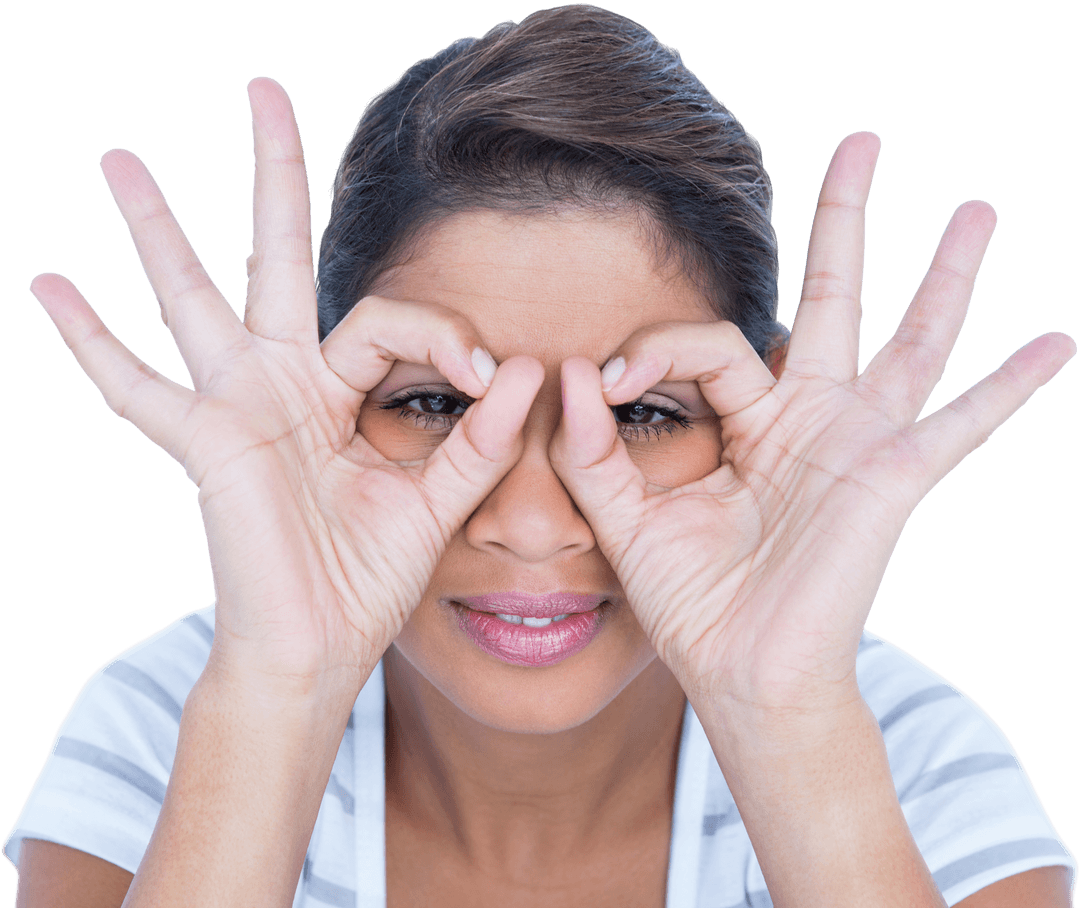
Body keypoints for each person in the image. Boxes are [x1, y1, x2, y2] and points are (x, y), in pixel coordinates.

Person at [5, 6, 1076, 907]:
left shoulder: (912, 757)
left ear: (766, 419)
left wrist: (791, 725)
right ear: (329, 403)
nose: (530, 518)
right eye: (433, 401)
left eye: (646, 412)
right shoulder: (167, 721)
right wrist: (277, 691)